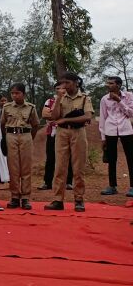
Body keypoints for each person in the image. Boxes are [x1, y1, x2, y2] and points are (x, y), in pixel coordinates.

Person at [46, 72, 94, 212]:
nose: (64, 86)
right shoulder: (59, 97)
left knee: (78, 167)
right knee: (60, 166)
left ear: (75, 82)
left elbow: (87, 116)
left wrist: (66, 119)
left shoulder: (84, 98)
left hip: (78, 133)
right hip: (62, 133)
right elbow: (54, 117)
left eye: (67, 82)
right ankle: (57, 200)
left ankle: (79, 199)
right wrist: (58, 99)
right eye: (62, 83)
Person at [1, 83, 39, 210]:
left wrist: (29, 138)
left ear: (24, 94)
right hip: (11, 135)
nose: (14, 95)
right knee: (13, 168)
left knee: (26, 168)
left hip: (26, 135)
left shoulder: (31, 108)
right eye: (12, 93)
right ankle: (15, 197)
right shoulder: (6, 107)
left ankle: (26, 198)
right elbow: (2, 124)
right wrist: (4, 139)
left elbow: (35, 125)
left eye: (17, 93)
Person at [99, 76, 133, 197]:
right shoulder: (104, 99)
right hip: (110, 130)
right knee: (111, 159)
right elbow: (102, 118)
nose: (108, 85)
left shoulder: (128, 96)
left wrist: (119, 100)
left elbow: (131, 113)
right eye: (107, 83)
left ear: (118, 85)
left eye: (111, 83)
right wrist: (103, 137)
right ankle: (112, 186)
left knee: (131, 158)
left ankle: (132, 187)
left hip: (126, 130)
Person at [39, 84, 73, 191]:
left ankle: (68, 182)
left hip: (67, 132)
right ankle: (47, 182)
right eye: (57, 89)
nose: (60, 90)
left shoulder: (71, 101)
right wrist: (58, 115)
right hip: (52, 133)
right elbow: (45, 115)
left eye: (62, 88)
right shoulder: (49, 101)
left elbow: (70, 116)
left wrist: (56, 116)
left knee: (68, 157)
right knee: (50, 158)